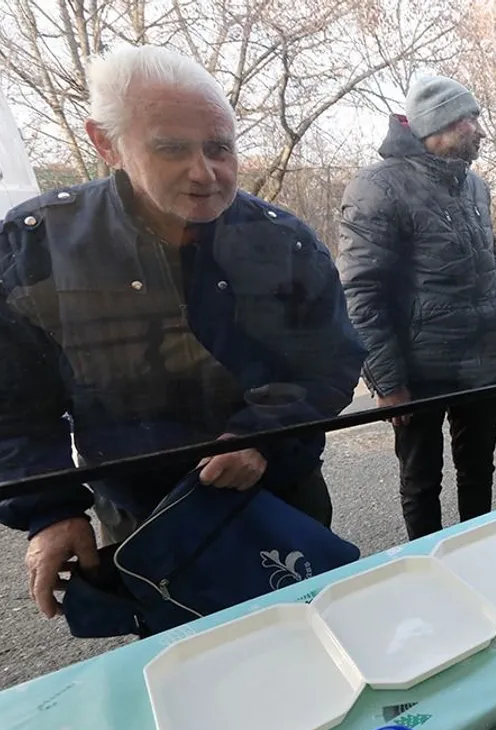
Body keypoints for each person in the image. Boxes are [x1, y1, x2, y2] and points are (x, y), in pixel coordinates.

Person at [0, 45, 365, 619]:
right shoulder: (37, 245)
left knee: (310, 631)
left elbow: (331, 360)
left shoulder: (283, 239)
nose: (204, 171)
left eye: (219, 148)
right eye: (172, 148)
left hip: (278, 494)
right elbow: (12, 402)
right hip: (144, 512)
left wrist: (261, 435)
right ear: (107, 143)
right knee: (184, 662)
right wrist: (48, 509)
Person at [338, 75, 496, 541]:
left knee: (479, 470)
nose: (480, 130)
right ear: (440, 125)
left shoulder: (475, 185)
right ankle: (428, 569)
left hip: (482, 363)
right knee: (421, 482)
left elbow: (491, 255)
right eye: (471, 119)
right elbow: (361, 292)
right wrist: (388, 382)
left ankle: (479, 555)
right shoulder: (377, 186)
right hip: (418, 374)